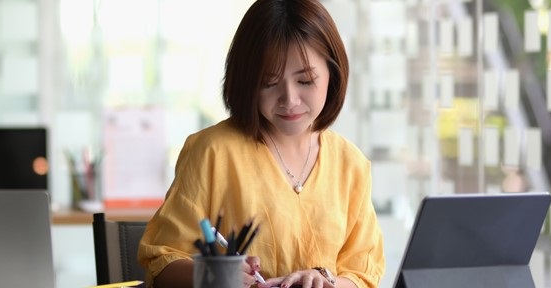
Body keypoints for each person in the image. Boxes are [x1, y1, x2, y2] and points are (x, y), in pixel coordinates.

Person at [137, 0, 385, 287]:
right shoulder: (213, 152)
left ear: (333, 73)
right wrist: (213, 275)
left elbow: (361, 275)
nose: (289, 99)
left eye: (305, 81)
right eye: (269, 83)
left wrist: (323, 280)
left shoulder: (350, 164)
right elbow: (161, 263)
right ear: (247, 81)